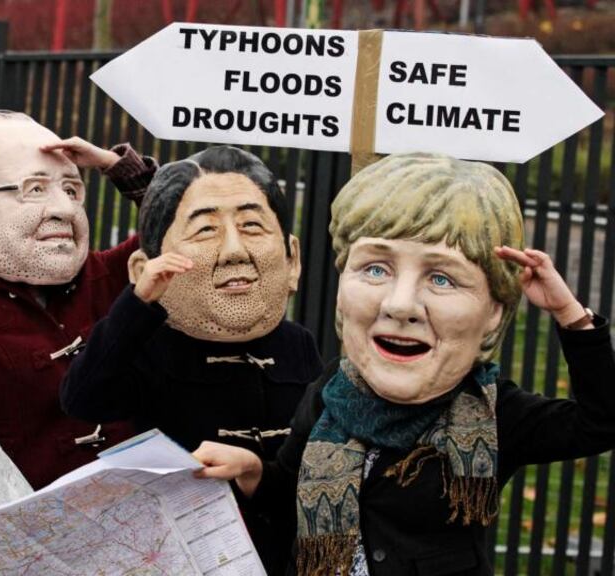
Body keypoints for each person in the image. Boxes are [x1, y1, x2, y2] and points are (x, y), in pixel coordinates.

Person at [192, 153, 615, 576]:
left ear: (493, 312)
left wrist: (571, 315)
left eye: (442, 278)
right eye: (376, 268)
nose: (400, 305)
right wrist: (253, 472)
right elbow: (290, 493)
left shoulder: (495, 413)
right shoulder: (333, 392)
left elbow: (602, 421)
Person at [0, 109, 155, 575]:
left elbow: (173, 230)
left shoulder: (106, 277)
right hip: (16, 550)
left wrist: (115, 167)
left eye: (71, 189)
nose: (63, 209)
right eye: (34, 190)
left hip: (121, 537)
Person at [60, 145, 323, 573]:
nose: (235, 250)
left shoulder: (300, 345)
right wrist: (138, 304)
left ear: (292, 259)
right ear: (143, 268)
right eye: (205, 231)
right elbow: (82, 398)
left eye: (253, 225)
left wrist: (261, 473)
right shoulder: (148, 348)